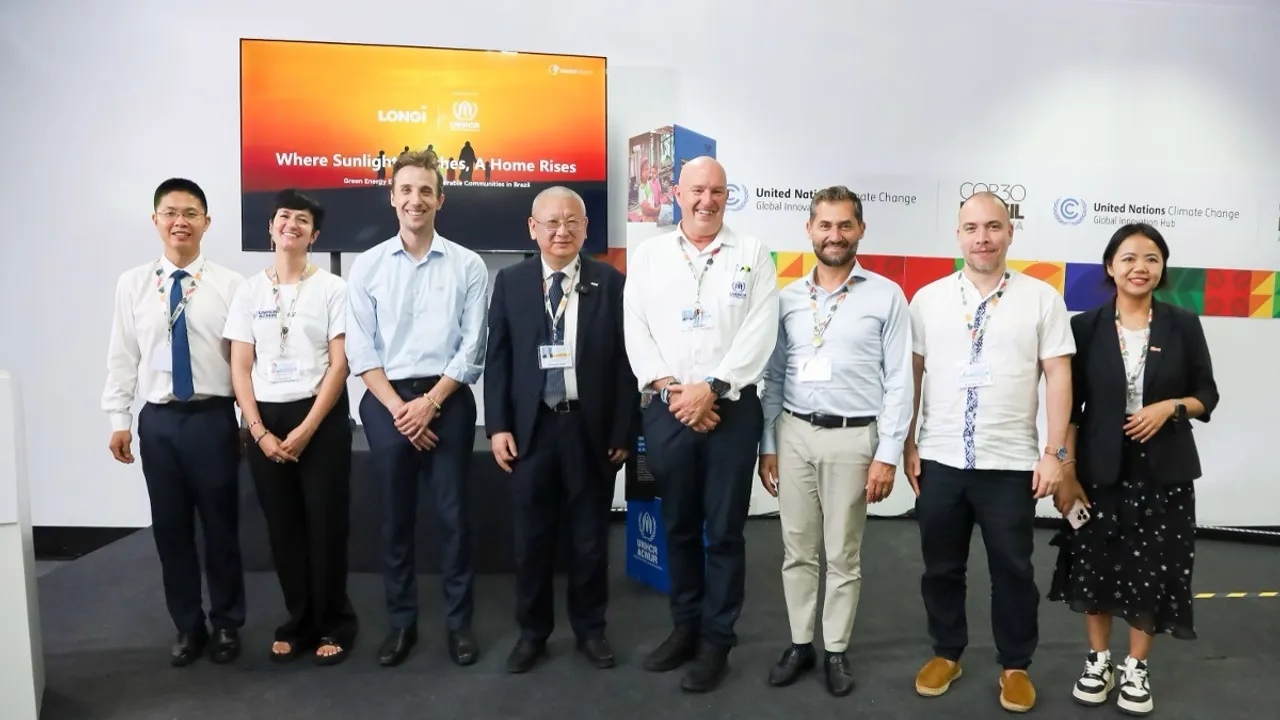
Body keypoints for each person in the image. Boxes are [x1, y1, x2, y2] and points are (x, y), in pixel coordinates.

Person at [904, 191, 1075, 713]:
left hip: (1011, 463)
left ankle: (1015, 664)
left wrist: (1055, 452)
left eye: (993, 227)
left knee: (1013, 570)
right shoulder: (928, 300)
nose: (983, 237)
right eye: (972, 228)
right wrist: (907, 441)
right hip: (940, 458)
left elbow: (1059, 375)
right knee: (940, 566)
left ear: (1010, 232)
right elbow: (910, 373)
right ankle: (947, 651)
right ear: (958, 235)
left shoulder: (1041, 298)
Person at [1047, 223, 1218, 716]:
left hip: (1164, 474)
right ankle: (1098, 660)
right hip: (1098, 473)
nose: (1139, 267)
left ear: (1162, 269)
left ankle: (1136, 667)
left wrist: (1170, 408)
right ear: (1110, 267)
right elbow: (1071, 410)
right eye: (1128, 258)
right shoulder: (1085, 327)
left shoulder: (1183, 324)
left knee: (1152, 570)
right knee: (1095, 567)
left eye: (1150, 258)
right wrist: (1066, 470)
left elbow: (1208, 395)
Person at [623, 156, 779, 693]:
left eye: (716, 191)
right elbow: (636, 329)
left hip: (731, 411)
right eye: (696, 190)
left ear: (727, 194)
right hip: (667, 408)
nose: (706, 200)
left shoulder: (753, 253)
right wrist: (673, 390)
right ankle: (684, 628)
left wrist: (711, 388)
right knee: (681, 527)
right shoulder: (649, 256)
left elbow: (760, 332)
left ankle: (717, 642)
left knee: (725, 533)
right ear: (677, 193)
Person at [757, 186, 913, 697]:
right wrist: (768, 444)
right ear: (809, 230)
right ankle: (801, 643)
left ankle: (836, 650)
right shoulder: (786, 299)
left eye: (845, 225)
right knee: (796, 550)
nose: (834, 235)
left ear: (861, 229)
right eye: (825, 225)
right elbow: (774, 377)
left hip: (853, 439)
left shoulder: (886, 295)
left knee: (843, 555)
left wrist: (887, 454)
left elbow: (898, 383)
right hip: (795, 433)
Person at [483, 186, 639, 673]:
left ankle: (591, 630)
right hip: (531, 431)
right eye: (551, 222)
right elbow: (500, 359)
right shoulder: (510, 282)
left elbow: (624, 363)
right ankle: (533, 633)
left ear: (586, 228)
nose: (562, 230)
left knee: (590, 539)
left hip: (588, 430)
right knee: (531, 540)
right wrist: (498, 426)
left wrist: (621, 429)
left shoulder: (611, 283)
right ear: (533, 229)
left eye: (572, 221)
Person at [346, 150, 489, 667]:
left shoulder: (468, 265)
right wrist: (401, 409)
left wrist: (428, 404)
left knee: (454, 519)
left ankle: (459, 624)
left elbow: (473, 346)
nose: (416, 199)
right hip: (386, 403)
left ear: (440, 199)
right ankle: (402, 624)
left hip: (446, 400)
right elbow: (361, 350)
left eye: (425, 190)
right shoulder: (367, 266)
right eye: (406, 190)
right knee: (395, 521)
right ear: (392, 197)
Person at [102, 178, 246, 666]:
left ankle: (227, 624)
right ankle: (188, 626)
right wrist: (119, 417)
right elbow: (122, 355)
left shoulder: (231, 285)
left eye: (190, 213)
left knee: (222, 527)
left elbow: (246, 361)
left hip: (212, 418)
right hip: (159, 422)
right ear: (155, 220)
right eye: (170, 212)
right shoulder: (134, 283)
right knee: (171, 529)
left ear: (207, 221)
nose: (180, 221)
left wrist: (250, 420)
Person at [223, 189, 358, 666]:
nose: (291, 225)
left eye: (302, 220)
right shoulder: (248, 290)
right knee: (283, 528)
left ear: (314, 235)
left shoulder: (333, 288)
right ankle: (298, 619)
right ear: (271, 227)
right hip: (266, 421)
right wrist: (258, 431)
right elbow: (240, 367)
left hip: (319, 417)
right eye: (284, 217)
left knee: (325, 526)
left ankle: (333, 620)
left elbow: (339, 366)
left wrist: (307, 428)